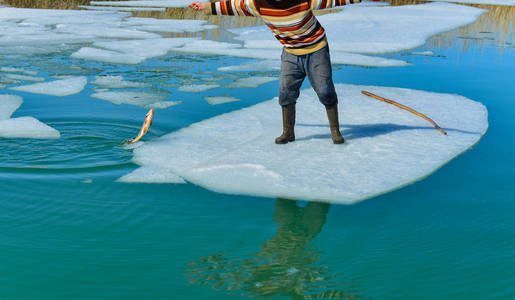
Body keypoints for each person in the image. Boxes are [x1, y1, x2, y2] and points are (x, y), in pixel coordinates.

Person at [189, 0, 361, 144]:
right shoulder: (258, 4)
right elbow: (234, 6)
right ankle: (288, 133)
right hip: (290, 52)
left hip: (316, 49)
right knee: (285, 92)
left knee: (325, 90)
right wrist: (206, 7)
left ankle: (335, 131)